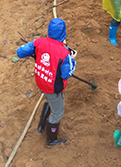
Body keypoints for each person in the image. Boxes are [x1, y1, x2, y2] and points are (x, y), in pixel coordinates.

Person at [16, 18, 76, 146]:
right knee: (57, 113)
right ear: (64, 34)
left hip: (41, 82)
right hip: (52, 88)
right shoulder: (64, 54)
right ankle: (51, 139)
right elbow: (66, 74)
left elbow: (20, 53)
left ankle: (41, 126)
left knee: (49, 100)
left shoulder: (38, 43)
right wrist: (72, 60)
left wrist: (34, 51)